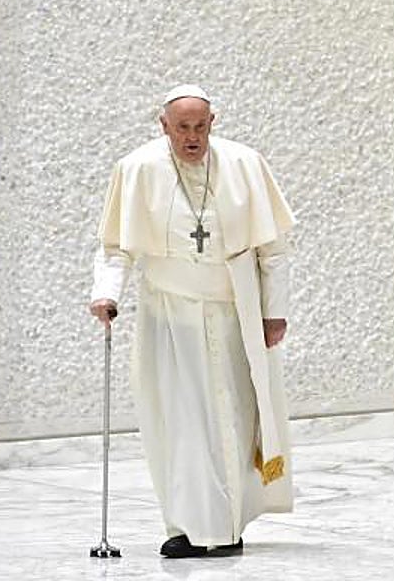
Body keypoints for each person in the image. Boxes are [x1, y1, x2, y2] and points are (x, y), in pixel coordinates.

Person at [88, 84, 295, 558]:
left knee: (234, 417)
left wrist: (274, 311)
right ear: (163, 126)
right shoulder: (137, 169)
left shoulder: (244, 165)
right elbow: (116, 248)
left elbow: (274, 250)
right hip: (169, 314)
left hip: (233, 313)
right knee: (177, 421)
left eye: (201, 126)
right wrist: (105, 294)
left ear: (213, 123)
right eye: (182, 128)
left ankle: (226, 527)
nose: (192, 137)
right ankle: (185, 525)